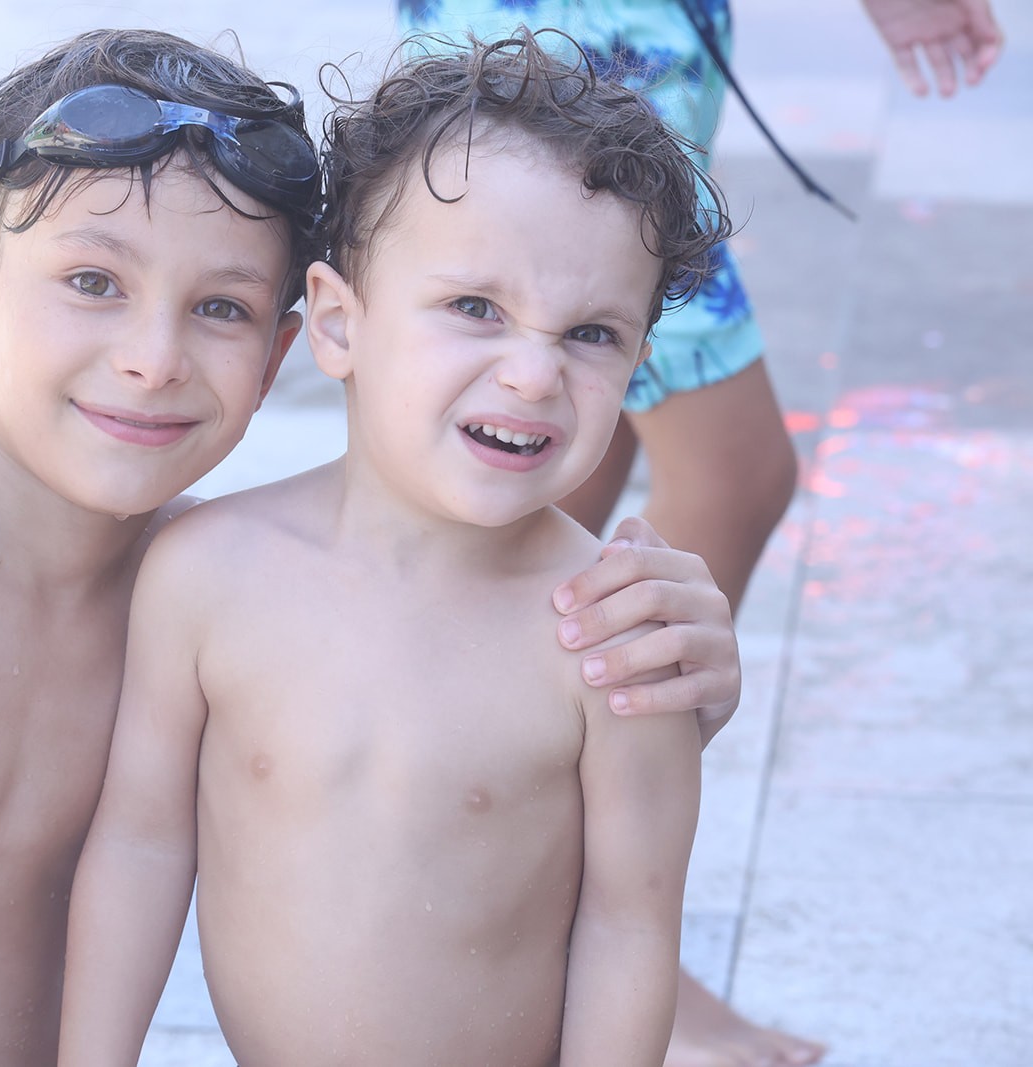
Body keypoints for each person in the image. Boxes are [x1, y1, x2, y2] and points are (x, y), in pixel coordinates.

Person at [0, 26, 744, 1067]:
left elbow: (479, 747)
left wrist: (690, 663)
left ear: (281, 352)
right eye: (93, 281)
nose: (152, 358)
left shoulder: (206, 573)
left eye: (221, 307)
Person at [59, 29, 736, 1067]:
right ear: (338, 324)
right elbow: (140, 844)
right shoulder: (206, 574)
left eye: (590, 334)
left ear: (637, 362)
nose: (533, 375)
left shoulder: (607, 635)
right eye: (475, 307)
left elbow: (629, 927)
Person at [384, 4, 1005, 1066]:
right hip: (570, 30)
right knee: (720, 462)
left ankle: (512, 878)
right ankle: (549, 893)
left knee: (549, 477)